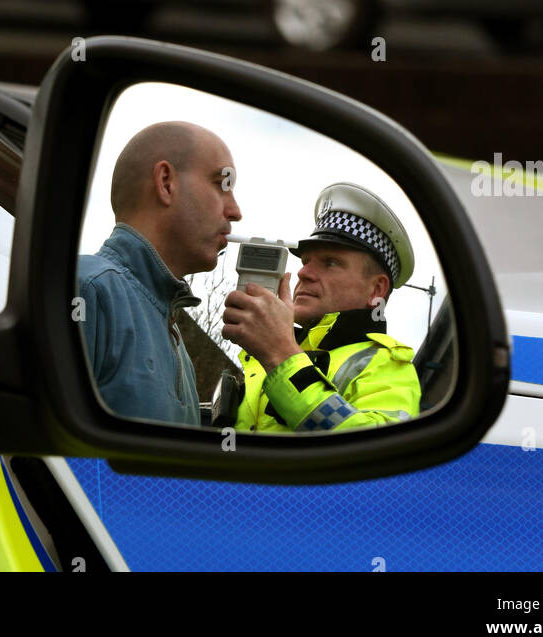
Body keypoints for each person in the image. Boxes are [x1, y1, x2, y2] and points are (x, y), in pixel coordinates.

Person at [77, 120, 241, 424]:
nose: (236, 211)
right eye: (222, 185)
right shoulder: (88, 290)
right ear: (166, 182)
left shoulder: (175, 339)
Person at [223, 182, 420, 433]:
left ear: (376, 290)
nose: (304, 273)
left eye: (330, 262)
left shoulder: (389, 365)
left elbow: (373, 453)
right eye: (305, 262)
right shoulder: (280, 351)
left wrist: (280, 356)